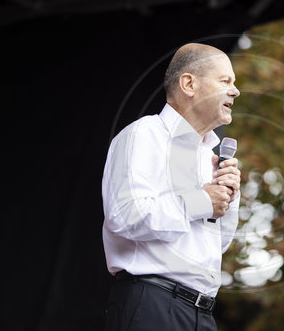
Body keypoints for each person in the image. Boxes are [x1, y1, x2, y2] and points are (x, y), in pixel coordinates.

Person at [102, 43, 241, 331]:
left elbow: (218, 244)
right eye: (225, 81)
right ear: (189, 84)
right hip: (152, 303)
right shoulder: (145, 135)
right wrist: (202, 200)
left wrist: (229, 199)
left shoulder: (210, 156)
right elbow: (125, 216)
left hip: (201, 313)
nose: (235, 91)